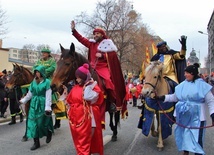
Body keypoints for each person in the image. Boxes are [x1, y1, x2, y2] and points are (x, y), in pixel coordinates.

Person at [70, 21, 127, 126]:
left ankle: (112, 103)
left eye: (97, 33)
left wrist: (103, 55)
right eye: (94, 34)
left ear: (102, 34)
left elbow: (113, 56)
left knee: (108, 81)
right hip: (92, 67)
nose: (95, 35)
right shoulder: (91, 44)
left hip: (103, 67)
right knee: (80, 78)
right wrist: (74, 31)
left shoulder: (108, 44)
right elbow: (82, 39)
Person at [156, 63, 214, 155]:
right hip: (183, 116)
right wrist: (162, 98)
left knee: (197, 139)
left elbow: (211, 102)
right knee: (183, 135)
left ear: (193, 73)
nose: (185, 75)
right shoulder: (182, 85)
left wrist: (213, 115)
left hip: (198, 118)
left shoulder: (203, 86)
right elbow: (175, 97)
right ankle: (185, 152)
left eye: (187, 73)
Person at [66, 63, 104, 155]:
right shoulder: (75, 87)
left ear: (84, 78)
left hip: (88, 115)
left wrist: (90, 85)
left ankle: (113, 101)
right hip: (77, 116)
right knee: (79, 138)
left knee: (107, 81)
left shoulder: (92, 87)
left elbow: (87, 97)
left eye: (79, 77)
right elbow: (69, 100)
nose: (76, 79)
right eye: (76, 77)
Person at [19, 65, 54, 151]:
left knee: (41, 123)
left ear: (42, 73)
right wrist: (23, 101)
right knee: (33, 123)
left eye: (38, 72)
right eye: (36, 72)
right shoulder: (33, 82)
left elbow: (48, 95)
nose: (37, 74)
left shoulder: (47, 82)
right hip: (34, 104)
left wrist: (47, 107)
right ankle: (36, 142)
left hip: (42, 103)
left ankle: (48, 132)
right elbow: (30, 94)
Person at [33, 48, 66, 129]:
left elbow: (52, 69)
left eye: (44, 53)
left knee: (50, 87)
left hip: (48, 79)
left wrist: (41, 73)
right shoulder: (39, 61)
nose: (43, 54)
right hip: (39, 79)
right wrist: (37, 73)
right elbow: (34, 68)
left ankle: (53, 99)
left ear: (48, 54)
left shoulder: (52, 61)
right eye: (42, 53)